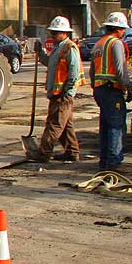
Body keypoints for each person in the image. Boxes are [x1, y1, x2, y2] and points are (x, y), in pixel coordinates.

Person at [26, 17, 80, 163]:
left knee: (54, 124)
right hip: (57, 93)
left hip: (62, 94)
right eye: (52, 33)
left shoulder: (69, 48)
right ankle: (72, 152)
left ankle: (44, 152)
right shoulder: (58, 48)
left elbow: (74, 73)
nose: (53, 36)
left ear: (65, 33)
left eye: (56, 33)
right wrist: (41, 53)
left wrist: (67, 92)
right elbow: (50, 63)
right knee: (66, 125)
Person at [90, 11, 132, 171]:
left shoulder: (99, 44)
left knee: (106, 125)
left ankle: (105, 160)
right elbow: (120, 68)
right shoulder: (115, 43)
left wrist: (95, 88)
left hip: (100, 89)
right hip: (112, 89)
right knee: (116, 126)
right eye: (123, 29)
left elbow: (92, 71)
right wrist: (128, 88)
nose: (124, 32)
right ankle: (114, 162)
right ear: (118, 29)